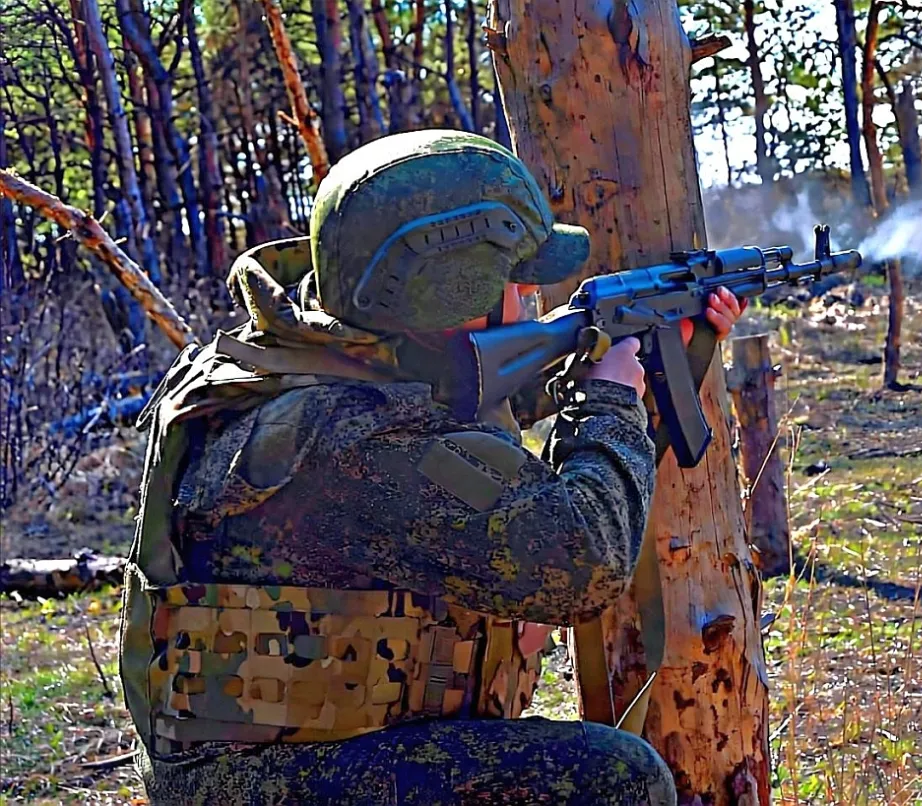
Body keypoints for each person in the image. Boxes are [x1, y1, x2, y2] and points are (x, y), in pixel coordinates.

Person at [118, 129, 744, 805]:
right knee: (618, 780)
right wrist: (612, 396)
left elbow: (473, 396)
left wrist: (628, 350)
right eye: (519, 284)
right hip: (258, 782)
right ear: (454, 293)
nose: (531, 300)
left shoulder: (307, 356)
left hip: (266, 750)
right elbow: (581, 567)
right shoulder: (354, 435)